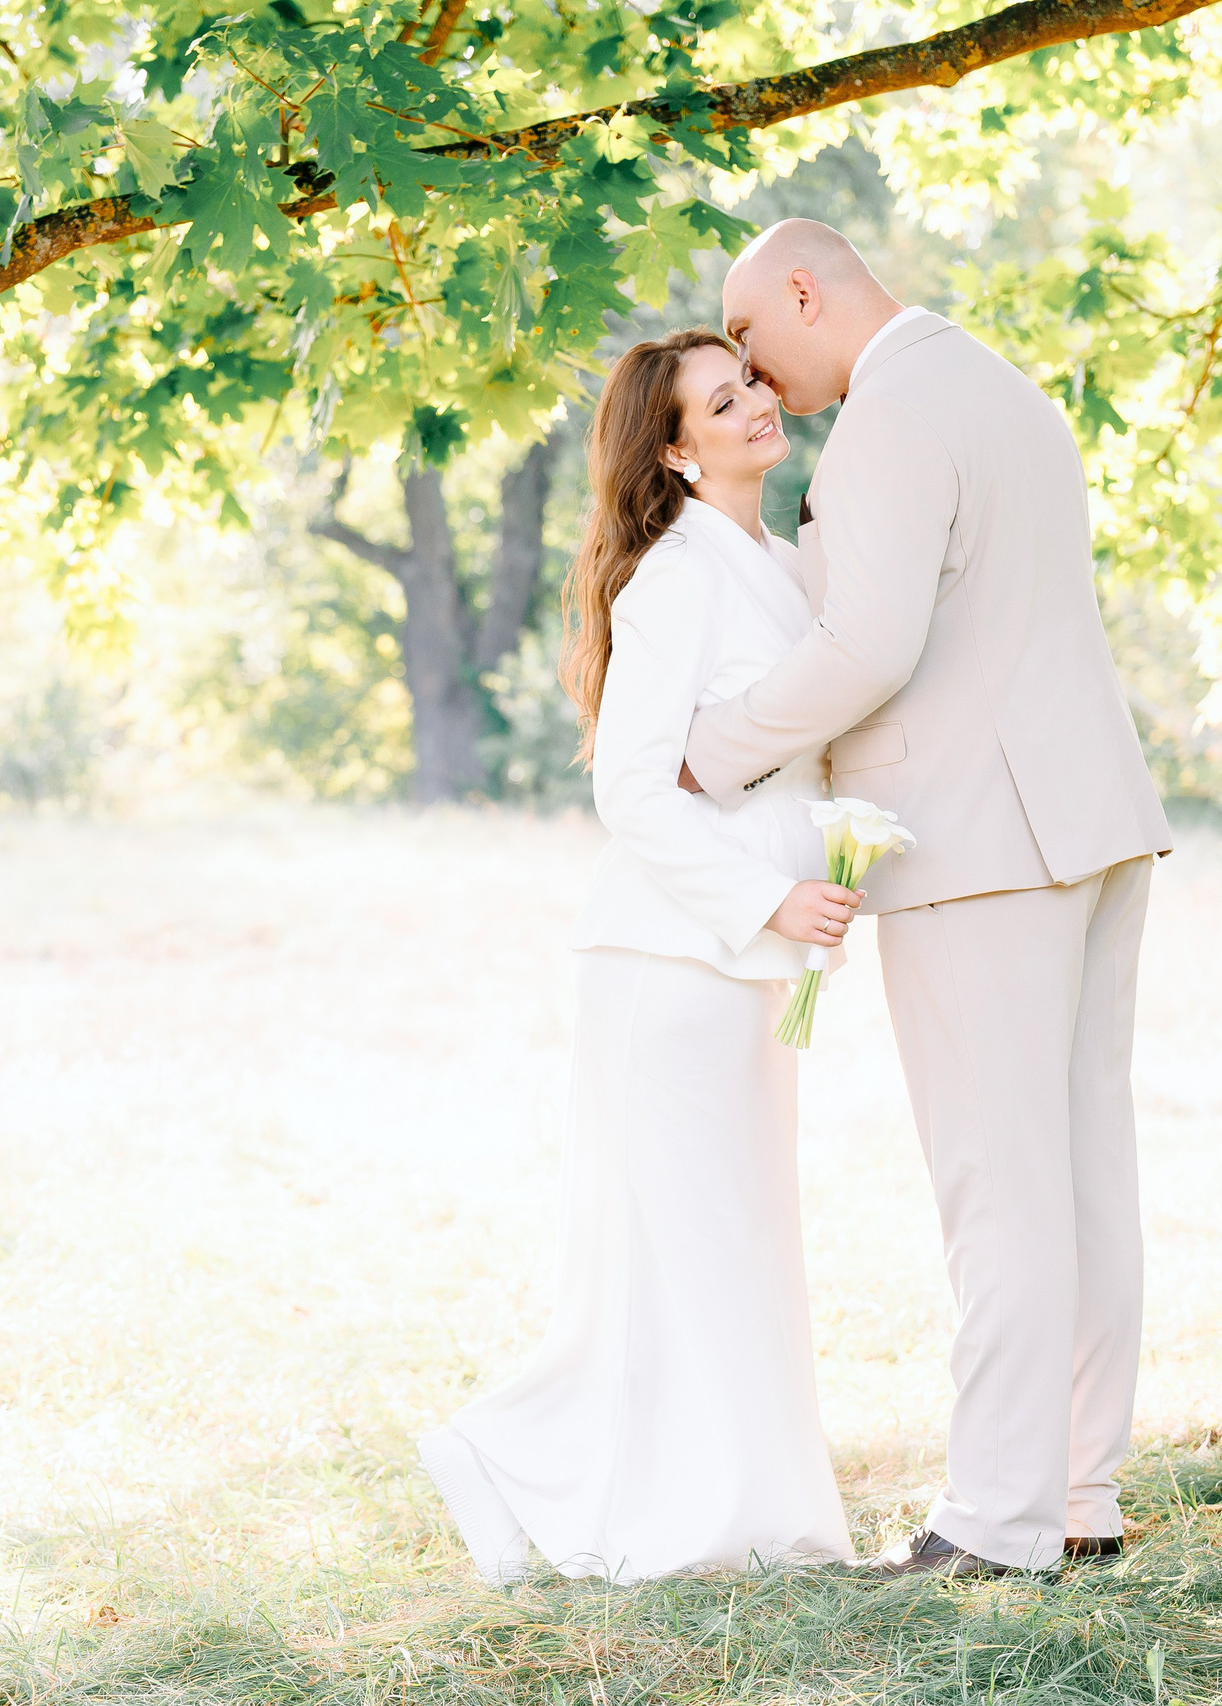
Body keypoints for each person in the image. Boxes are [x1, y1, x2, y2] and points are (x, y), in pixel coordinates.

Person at [683, 220, 1174, 1578]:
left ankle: (996, 1519)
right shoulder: (1001, 387)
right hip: (1088, 816)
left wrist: (710, 753)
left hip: (979, 838)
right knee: (1084, 1170)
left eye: (750, 337)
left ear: (804, 290)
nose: (752, 374)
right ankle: (1076, 1493)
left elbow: (868, 643)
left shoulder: (890, 415)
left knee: (996, 1184)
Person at [415, 328, 861, 1585]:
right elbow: (632, 789)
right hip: (672, 961)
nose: (757, 402)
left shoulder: (778, 565)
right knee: (688, 1244)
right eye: (722, 402)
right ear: (673, 452)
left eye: (751, 381)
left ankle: (742, 1515)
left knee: (732, 1243)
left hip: (746, 962)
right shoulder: (675, 579)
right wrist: (770, 895)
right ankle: (512, 1452)